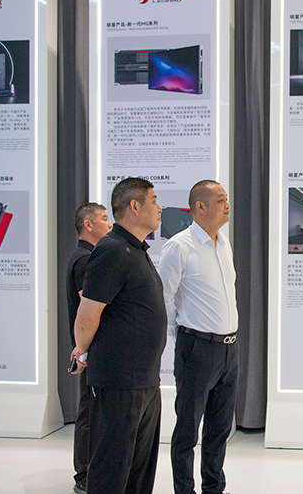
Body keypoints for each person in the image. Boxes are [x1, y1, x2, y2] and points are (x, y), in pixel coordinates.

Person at [70, 178, 167, 494]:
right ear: (135, 206)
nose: (160, 208)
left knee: (139, 470)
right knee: (112, 468)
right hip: (119, 382)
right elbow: (88, 313)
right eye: (154, 200)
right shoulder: (111, 249)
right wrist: (81, 350)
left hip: (144, 380)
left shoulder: (136, 250)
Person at [158, 180, 239, 494]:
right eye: (220, 200)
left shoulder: (224, 243)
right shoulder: (180, 246)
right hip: (197, 348)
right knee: (187, 430)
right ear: (200, 207)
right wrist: (181, 337)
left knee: (219, 429)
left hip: (229, 349)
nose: (227, 205)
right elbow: (164, 297)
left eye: (226, 199)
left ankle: (214, 488)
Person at [66, 202, 111, 494]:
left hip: (89, 348)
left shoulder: (86, 256)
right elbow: (89, 307)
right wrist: (83, 349)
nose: (109, 224)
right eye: (104, 219)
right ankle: (84, 474)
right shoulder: (85, 260)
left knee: (92, 411)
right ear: (88, 225)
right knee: (89, 413)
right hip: (91, 350)